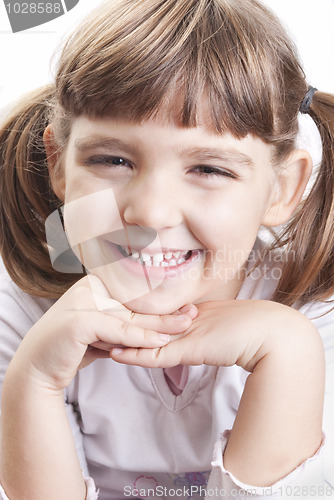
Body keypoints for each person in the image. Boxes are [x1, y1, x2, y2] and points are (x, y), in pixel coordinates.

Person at [0, 0, 333, 498]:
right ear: (59, 165)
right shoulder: (22, 314)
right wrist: (34, 381)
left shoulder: (317, 315)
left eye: (210, 169)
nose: (151, 214)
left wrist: (289, 353)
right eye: (112, 159)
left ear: (283, 188)